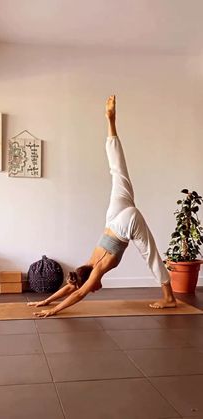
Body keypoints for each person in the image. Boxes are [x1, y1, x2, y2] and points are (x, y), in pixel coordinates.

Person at [28, 95, 176, 317]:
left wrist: (53, 310)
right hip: (113, 217)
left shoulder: (94, 270)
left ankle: (169, 298)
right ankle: (111, 122)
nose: (94, 290)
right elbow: (73, 286)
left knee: (150, 253)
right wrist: (45, 301)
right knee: (117, 171)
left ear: (89, 280)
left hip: (126, 224)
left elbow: (77, 293)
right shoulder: (86, 265)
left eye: (92, 287)